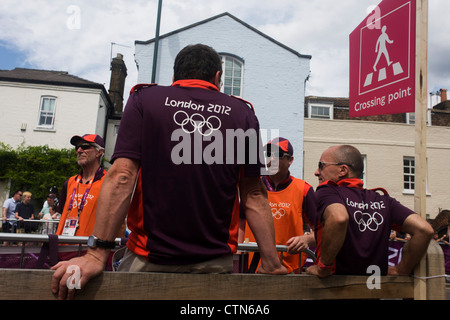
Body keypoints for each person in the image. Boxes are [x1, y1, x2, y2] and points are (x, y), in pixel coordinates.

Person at [52, 43, 287, 299]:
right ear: (218, 77)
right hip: (214, 264)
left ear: (175, 76)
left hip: (148, 260)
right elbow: (253, 194)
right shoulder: (243, 114)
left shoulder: (144, 99)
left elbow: (122, 176)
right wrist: (272, 261)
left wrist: (97, 255)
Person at [306, 145, 433, 278]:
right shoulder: (384, 200)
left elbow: (339, 218)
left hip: (334, 287)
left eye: (321, 165)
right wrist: (402, 270)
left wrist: (324, 267)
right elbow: (424, 229)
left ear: (342, 170)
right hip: (373, 287)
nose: (316, 172)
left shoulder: (327, 191)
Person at [240, 137, 316, 273]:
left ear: (290, 160)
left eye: (278, 155)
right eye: (269, 154)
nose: (272, 158)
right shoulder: (253, 184)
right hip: (251, 266)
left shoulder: (303, 189)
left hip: (289, 268)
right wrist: (238, 254)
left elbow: (322, 231)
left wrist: (307, 239)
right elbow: (241, 220)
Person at [55, 134, 107, 237]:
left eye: (85, 146)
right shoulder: (70, 182)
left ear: (99, 152)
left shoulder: (108, 182)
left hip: (90, 249)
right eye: (77, 147)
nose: (79, 150)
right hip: (63, 247)